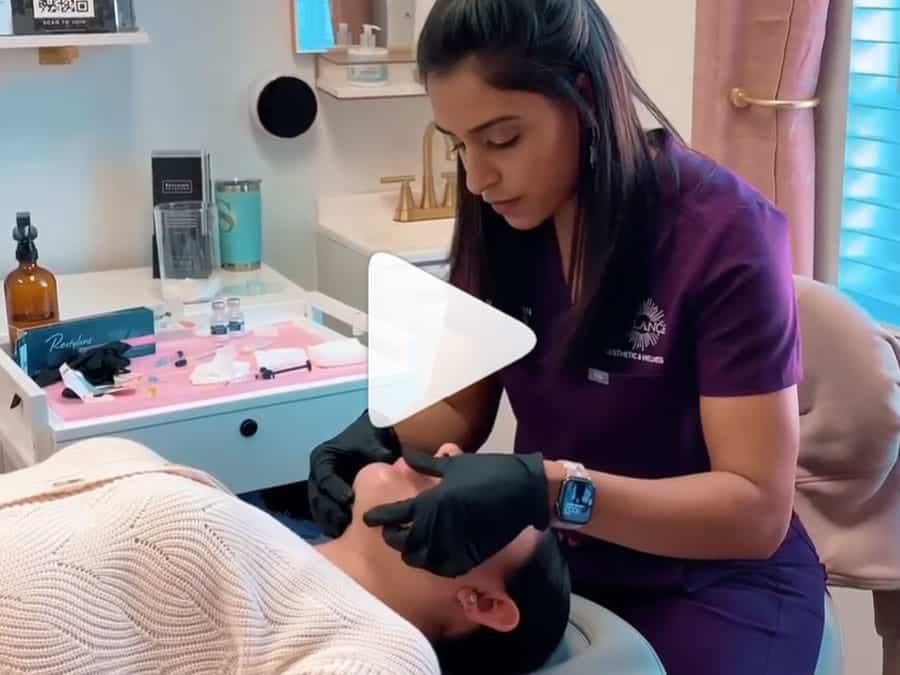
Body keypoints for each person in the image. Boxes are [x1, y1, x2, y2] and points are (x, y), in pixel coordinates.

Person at [306, 1, 829, 673]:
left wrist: (548, 491)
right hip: (560, 566)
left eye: (502, 140)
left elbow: (754, 513)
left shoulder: (723, 234)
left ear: (582, 97)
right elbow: (461, 406)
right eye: (459, 145)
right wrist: (376, 438)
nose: (478, 178)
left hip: (713, 582)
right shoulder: (503, 219)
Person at [0, 437, 569, 675]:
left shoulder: (386, 655)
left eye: (490, 506)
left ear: (484, 603)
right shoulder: (256, 535)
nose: (450, 452)